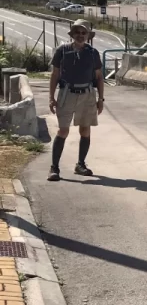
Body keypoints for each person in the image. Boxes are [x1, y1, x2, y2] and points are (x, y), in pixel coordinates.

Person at [48, 19, 105, 182]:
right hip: (67, 93)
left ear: (88, 35)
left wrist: (100, 99)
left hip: (87, 94)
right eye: (77, 32)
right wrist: (51, 97)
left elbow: (99, 77)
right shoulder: (62, 51)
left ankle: (80, 165)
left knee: (85, 130)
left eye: (83, 33)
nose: (80, 35)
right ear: (72, 34)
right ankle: (54, 168)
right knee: (63, 131)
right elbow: (55, 75)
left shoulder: (93, 53)